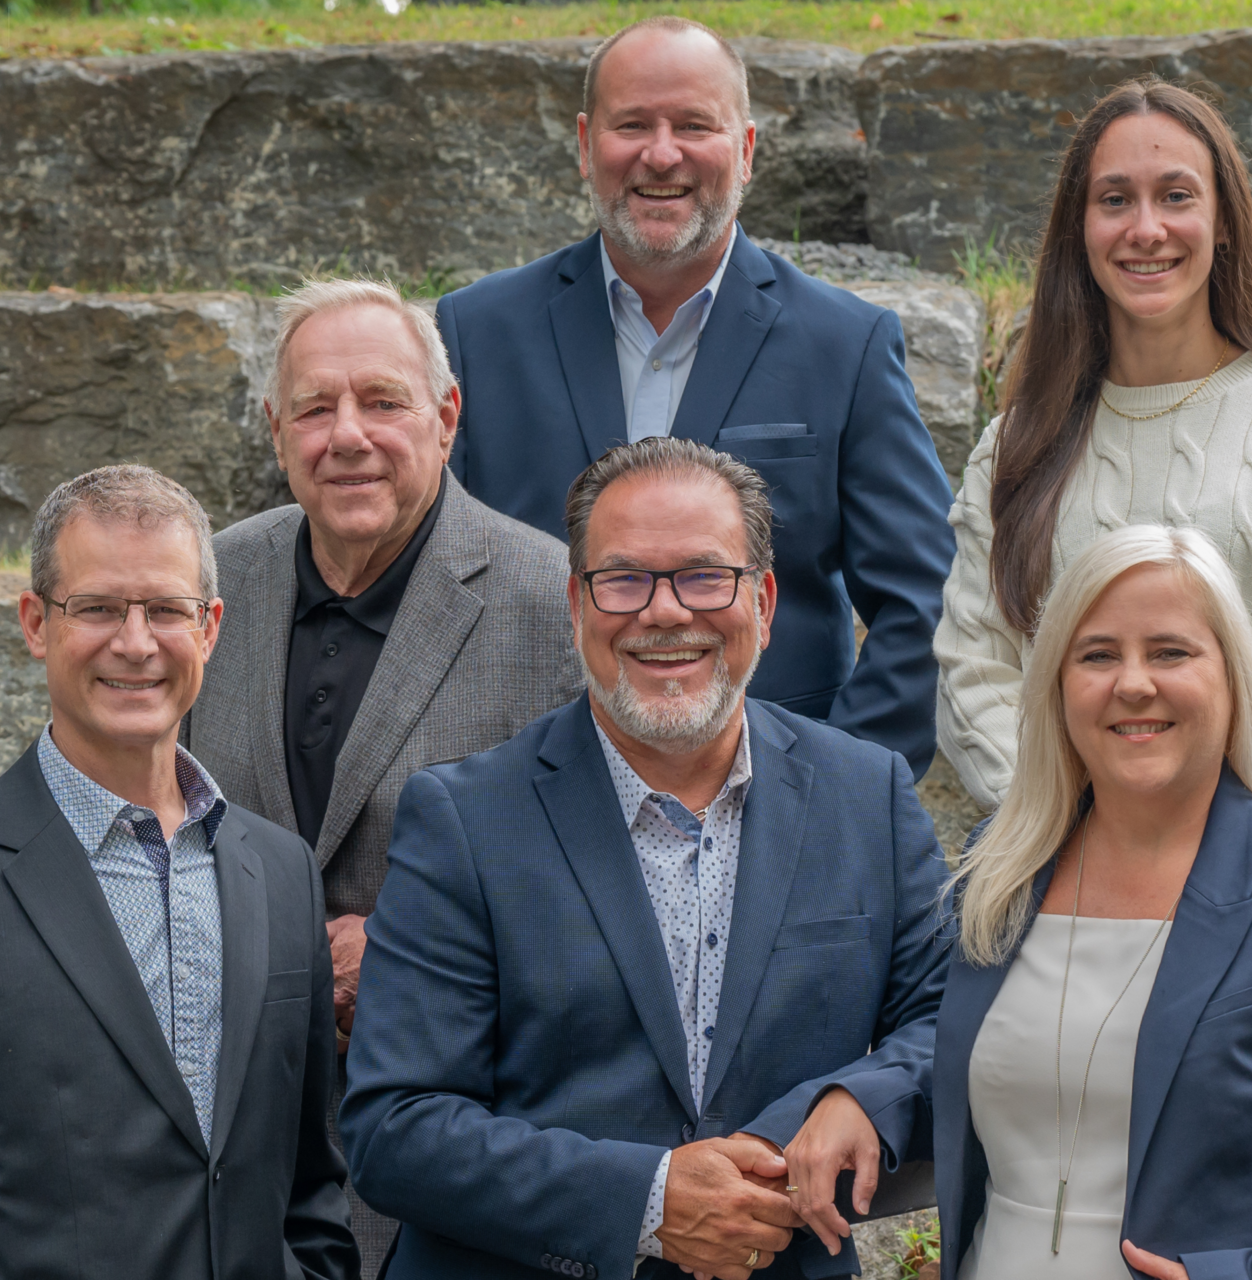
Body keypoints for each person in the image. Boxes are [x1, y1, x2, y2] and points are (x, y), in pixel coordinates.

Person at [776, 525, 1252, 1280]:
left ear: (1233, 676)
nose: (1133, 684)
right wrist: (864, 1098)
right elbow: (980, 1054)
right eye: (1098, 655)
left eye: (1170, 652)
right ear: (1057, 685)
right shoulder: (1002, 865)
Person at [340, 438, 953, 1280]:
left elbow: (951, 1025)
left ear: (764, 602)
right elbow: (395, 1129)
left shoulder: (867, 795)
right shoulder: (462, 820)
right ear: (577, 606)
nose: (664, 612)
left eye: (705, 576)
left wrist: (862, 1097)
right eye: (624, 580)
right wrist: (650, 1202)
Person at [0, 465, 356, 1280]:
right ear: (36, 623)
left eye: (165, 609)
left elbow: (308, 1183)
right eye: (97, 608)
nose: (135, 643)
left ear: (209, 629)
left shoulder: (280, 873)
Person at [186, 279, 583, 1274]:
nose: (347, 436)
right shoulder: (205, 586)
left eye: (382, 401)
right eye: (315, 408)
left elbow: (605, 879)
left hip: (449, 1158)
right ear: (276, 431)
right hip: (223, 1149)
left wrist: (410, 948)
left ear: (446, 418)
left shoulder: (555, 604)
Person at [436, 15, 956, 770]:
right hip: (527, 796)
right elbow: (429, 588)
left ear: (746, 149)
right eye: (632, 125)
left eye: (694, 125)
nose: (661, 153)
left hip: (774, 796)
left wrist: (838, 789)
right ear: (585, 144)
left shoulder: (846, 344)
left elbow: (925, 603)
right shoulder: (477, 333)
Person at [934, 78, 1252, 820]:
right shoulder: (1015, 446)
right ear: (1079, 228)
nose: (1146, 228)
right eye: (1115, 200)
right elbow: (973, 670)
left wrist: (1250, 835)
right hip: (1066, 860)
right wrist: (1078, 833)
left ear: (1225, 222)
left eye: (1176, 196)